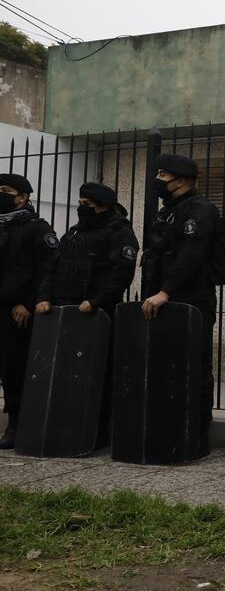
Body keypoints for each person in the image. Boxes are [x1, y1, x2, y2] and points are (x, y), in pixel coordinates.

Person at [34, 182, 139, 447]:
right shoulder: (74, 232)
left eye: (88, 205)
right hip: (63, 312)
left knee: (96, 373)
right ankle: (64, 427)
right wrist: (44, 297)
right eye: (81, 203)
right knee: (64, 372)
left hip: (96, 313)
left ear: (103, 206)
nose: (82, 209)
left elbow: (121, 274)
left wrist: (96, 302)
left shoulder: (120, 233)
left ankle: (97, 431)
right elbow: (52, 268)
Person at [140, 153, 224, 457]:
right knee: (164, 367)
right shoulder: (168, 212)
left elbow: (191, 254)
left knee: (194, 368)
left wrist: (166, 291)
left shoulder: (199, 210)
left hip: (191, 299)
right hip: (163, 298)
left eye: (163, 176)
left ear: (182, 181)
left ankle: (196, 438)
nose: (158, 180)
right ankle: (168, 433)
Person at [0, 174, 59, 449]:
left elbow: (47, 270)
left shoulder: (37, 229)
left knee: (14, 367)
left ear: (22, 197)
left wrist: (27, 302)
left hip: (17, 310)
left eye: (5, 190)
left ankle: (16, 424)